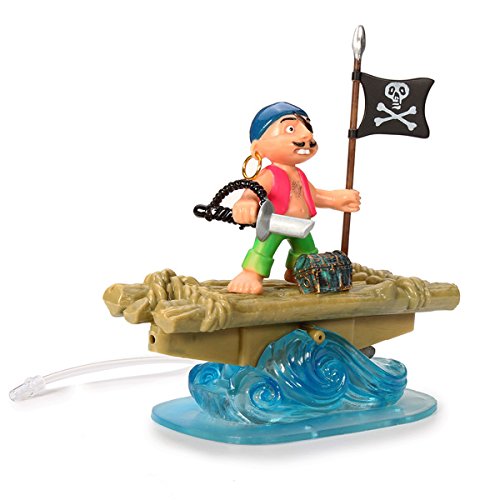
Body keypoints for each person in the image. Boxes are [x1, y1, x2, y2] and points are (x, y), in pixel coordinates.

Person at [228, 102, 360, 294]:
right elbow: (252, 192)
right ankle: (251, 274)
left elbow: (313, 195)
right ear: (258, 149)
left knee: (307, 251)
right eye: (290, 129)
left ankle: (298, 271)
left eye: (308, 127)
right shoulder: (269, 175)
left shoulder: (299, 175)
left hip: (301, 226)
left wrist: (335, 199)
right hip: (275, 223)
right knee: (263, 249)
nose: (307, 135)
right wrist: (246, 202)